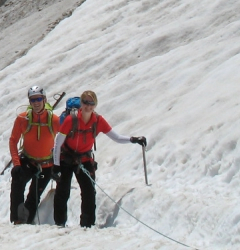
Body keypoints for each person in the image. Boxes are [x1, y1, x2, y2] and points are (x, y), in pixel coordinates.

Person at [52, 90, 147, 227]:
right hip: (66, 158)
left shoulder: (98, 121)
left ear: (95, 104)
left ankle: (87, 224)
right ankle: (60, 223)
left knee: (89, 192)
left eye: (91, 103)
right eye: (85, 102)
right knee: (63, 191)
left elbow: (117, 137)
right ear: (81, 104)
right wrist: (56, 165)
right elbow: (58, 142)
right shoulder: (70, 120)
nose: (88, 106)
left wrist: (133, 139)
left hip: (84, 160)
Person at [8, 85, 56, 224]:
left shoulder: (54, 120)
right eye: (33, 100)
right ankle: (17, 220)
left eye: (39, 99)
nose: (36, 102)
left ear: (44, 99)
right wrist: (16, 164)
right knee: (17, 185)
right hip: (28, 161)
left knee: (34, 195)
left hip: (47, 164)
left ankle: (27, 222)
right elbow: (13, 141)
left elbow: (63, 140)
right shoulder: (23, 119)